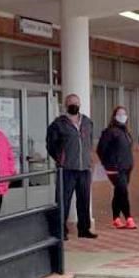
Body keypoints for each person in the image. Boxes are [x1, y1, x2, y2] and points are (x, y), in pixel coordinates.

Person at [47, 93, 96, 239]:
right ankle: (61, 231)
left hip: (84, 169)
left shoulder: (87, 122)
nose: (73, 105)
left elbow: (89, 143)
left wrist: (89, 160)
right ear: (65, 105)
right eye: (70, 103)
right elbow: (51, 145)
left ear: (79, 105)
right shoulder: (58, 124)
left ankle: (84, 229)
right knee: (63, 201)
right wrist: (61, 159)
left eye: (76, 103)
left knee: (84, 200)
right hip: (67, 169)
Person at [97, 106, 137, 229]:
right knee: (123, 191)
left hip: (126, 167)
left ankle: (116, 218)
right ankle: (129, 218)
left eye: (124, 114)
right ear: (114, 116)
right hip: (114, 168)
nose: (122, 116)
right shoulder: (110, 132)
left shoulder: (126, 132)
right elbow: (100, 150)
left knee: (119, 192)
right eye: (120, 114)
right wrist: (108, 163)